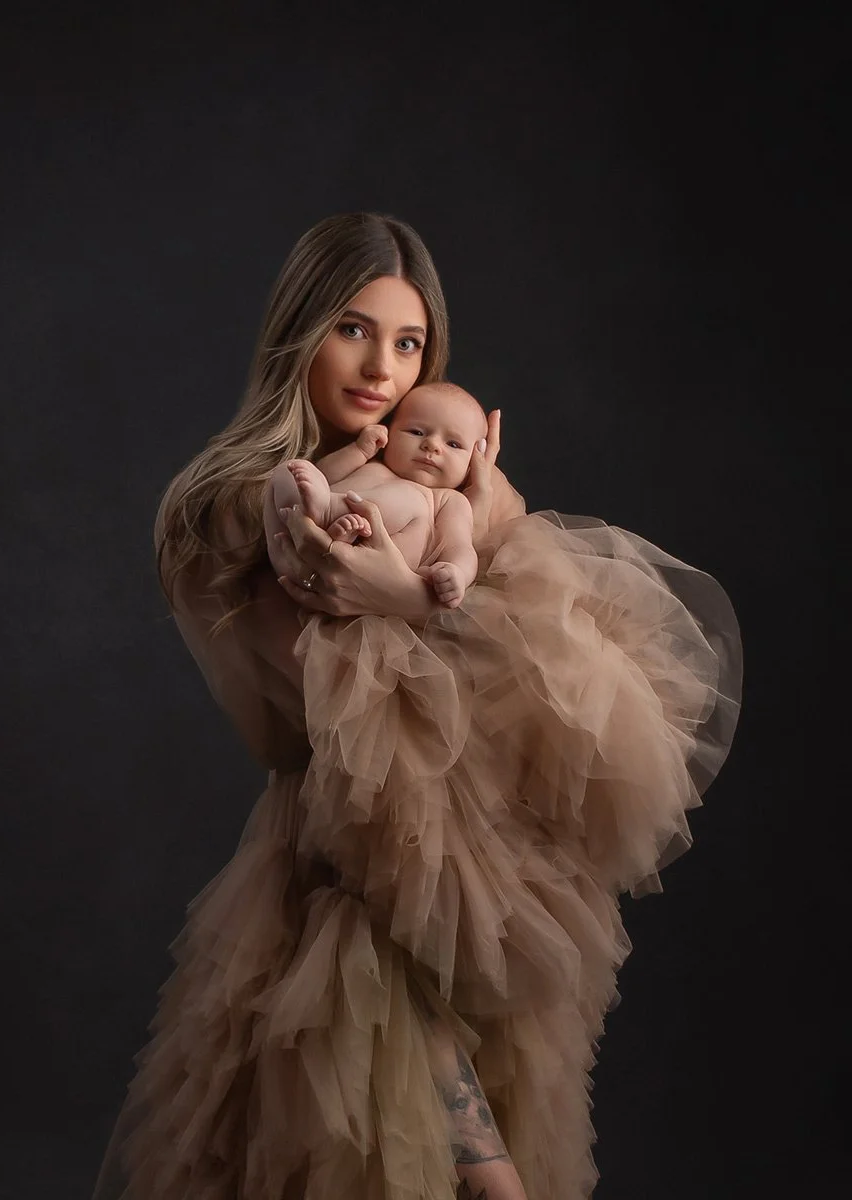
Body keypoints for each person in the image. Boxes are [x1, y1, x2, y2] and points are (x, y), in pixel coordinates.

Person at [92, 212, 741, 1200]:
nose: (381, 367)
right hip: (343, 868)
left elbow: (528, 648)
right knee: (431, 1165)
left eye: (408, 344)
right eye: (353, 330)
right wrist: (423, 589)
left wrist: (424, 576)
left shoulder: (439, 477)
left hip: (467, 859)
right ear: (300, 330)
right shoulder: (240, 504)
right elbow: (305, 727)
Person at [267, 381, 488, 608]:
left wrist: (457, 573)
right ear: (389, 431)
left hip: (373, 569)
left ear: (472, 464)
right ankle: (283, 553)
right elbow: (323, 477)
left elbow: (461, 548)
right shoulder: (372, 463)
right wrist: (360, 450)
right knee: (289, 471)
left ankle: (330, 511)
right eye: (416, 432)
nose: (431, 445)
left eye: (453, 444)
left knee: (411, 498)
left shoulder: (448, 499)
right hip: (309, 545)